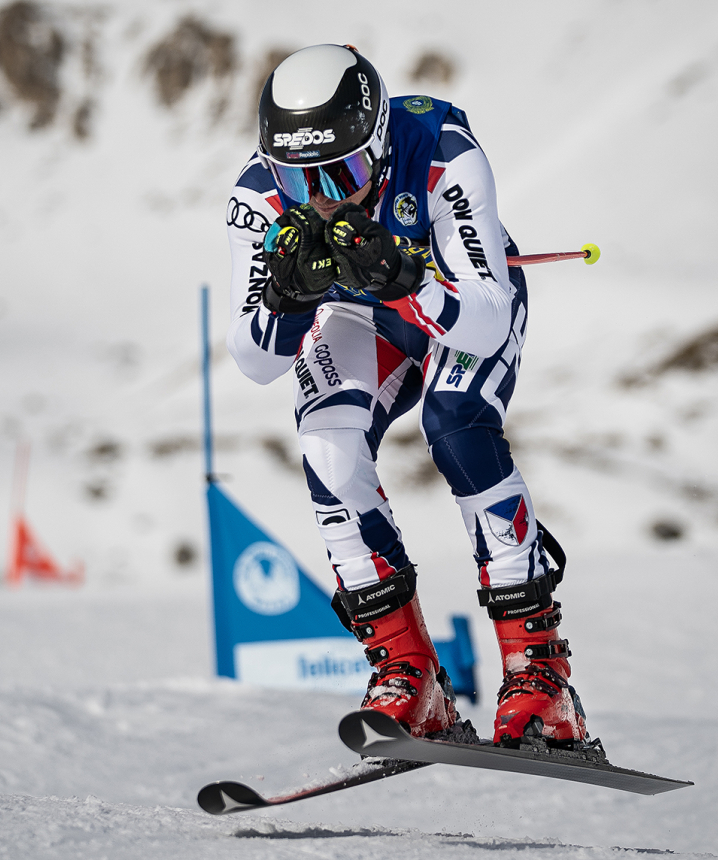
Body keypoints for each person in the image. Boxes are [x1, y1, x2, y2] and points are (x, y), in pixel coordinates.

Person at [225, 45, 591, 749]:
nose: (324, 196)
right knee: (325, 442)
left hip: (456, 301)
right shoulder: (255, 198)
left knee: (456, 420)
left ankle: (541, 677)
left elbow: (485, 318)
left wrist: (408, 280)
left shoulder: (443, 151)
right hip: (365, 318)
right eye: (300, 180)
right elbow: (255, 360)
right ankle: (407, 672)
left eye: (346, 172)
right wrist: (288, 299)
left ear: (382, 146)